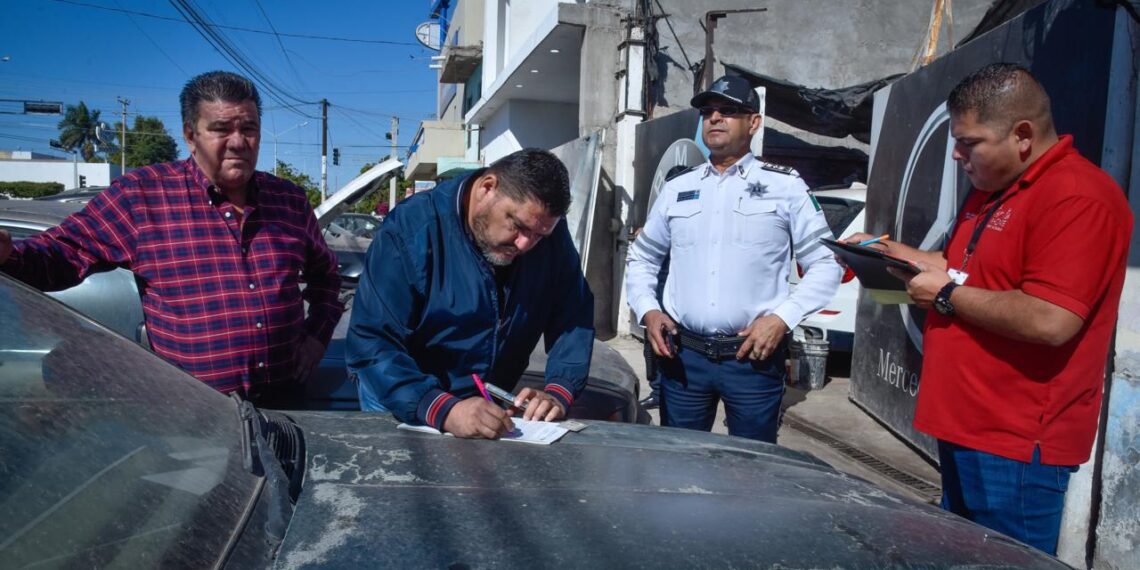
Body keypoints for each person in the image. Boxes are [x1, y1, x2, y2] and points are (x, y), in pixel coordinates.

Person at [846, 63, 1132, 555]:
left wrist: (943, 295)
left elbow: (1050, 319)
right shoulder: (991, 192)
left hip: (1015, 444)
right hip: (966, 424)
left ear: (1022, 134)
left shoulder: (1078, 198)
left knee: (1005, 560)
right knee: (958, 557)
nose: (957, 155)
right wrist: (893, 254)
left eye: (969, 142)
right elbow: (959, 267)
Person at [0, 70, 344, 407]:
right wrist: (9, 255)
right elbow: (63, 254)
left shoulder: (288, 200)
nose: (239, 142)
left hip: (287, 402)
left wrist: (317, 337)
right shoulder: (141, 196)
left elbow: (327, 276)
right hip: (196, 414)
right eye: (221, 129)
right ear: (190, 135)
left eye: (249, 129)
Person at [625, 75, 842, 442]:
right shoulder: (680, 188)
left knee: (751, 472)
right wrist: (649, 309)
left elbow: (826, 263)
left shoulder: (785, 186)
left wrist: (781, 319)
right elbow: (643, 258)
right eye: (708, 111)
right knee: (680, 464)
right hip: (684, 358)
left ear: (753, 123)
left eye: (729, 111)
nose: (715, 118)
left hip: (752, 360)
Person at [346, 148, 594, 439]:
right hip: (404, 401)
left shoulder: (548, 236)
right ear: (487, 188)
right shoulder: (410, 230)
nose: (526, 244)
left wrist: (559, 389)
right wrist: (444, 409)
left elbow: (573, 312)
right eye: (517, 226)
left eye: (539, 235)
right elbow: (372, 342)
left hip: (485, 407)